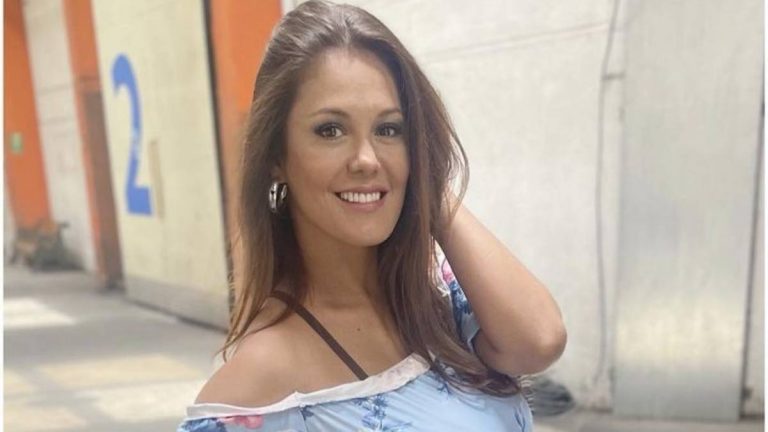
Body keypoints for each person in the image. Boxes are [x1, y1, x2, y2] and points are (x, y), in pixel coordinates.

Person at [177, 1, 566, 430]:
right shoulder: (262, 378)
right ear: (276, 156)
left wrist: (425, 186)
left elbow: (539, 341)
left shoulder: (436, 301)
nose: (366, 159)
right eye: (330, 130)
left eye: (388, 129)